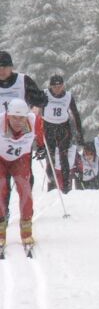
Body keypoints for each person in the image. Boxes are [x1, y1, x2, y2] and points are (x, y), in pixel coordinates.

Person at [0, 98, 45, 255]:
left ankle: (26, 232)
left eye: (21, 118)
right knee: (1, 191)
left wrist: (41, 147)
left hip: (21, 160)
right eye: (14, 118)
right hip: (1, 160)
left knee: (25, 191)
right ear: (8, 116)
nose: (18, 122)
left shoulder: (34, 120)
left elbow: (40, 133)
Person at [42, 74, 84, 193]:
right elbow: (36, 108)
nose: (57, 88)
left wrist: (80, 134)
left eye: (60, 86)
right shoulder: (45, 94)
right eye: (55, 86)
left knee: (63, 155)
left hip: (63, 127)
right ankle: (52, 179)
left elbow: (75, 114)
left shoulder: (68, 96)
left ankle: (65, 185)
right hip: (48, 126)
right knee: (50, 154)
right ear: (50, 86)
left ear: (63, 85)